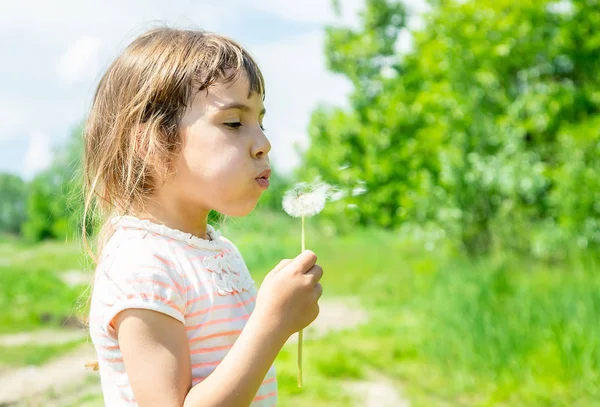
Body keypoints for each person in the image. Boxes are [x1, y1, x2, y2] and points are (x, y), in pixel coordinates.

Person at [83, 26, 323, 407]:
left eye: (261, 121)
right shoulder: (141, 264)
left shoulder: (219, 250)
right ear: (152, 142)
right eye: (233, 122)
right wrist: (272, 324)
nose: (263, 143)